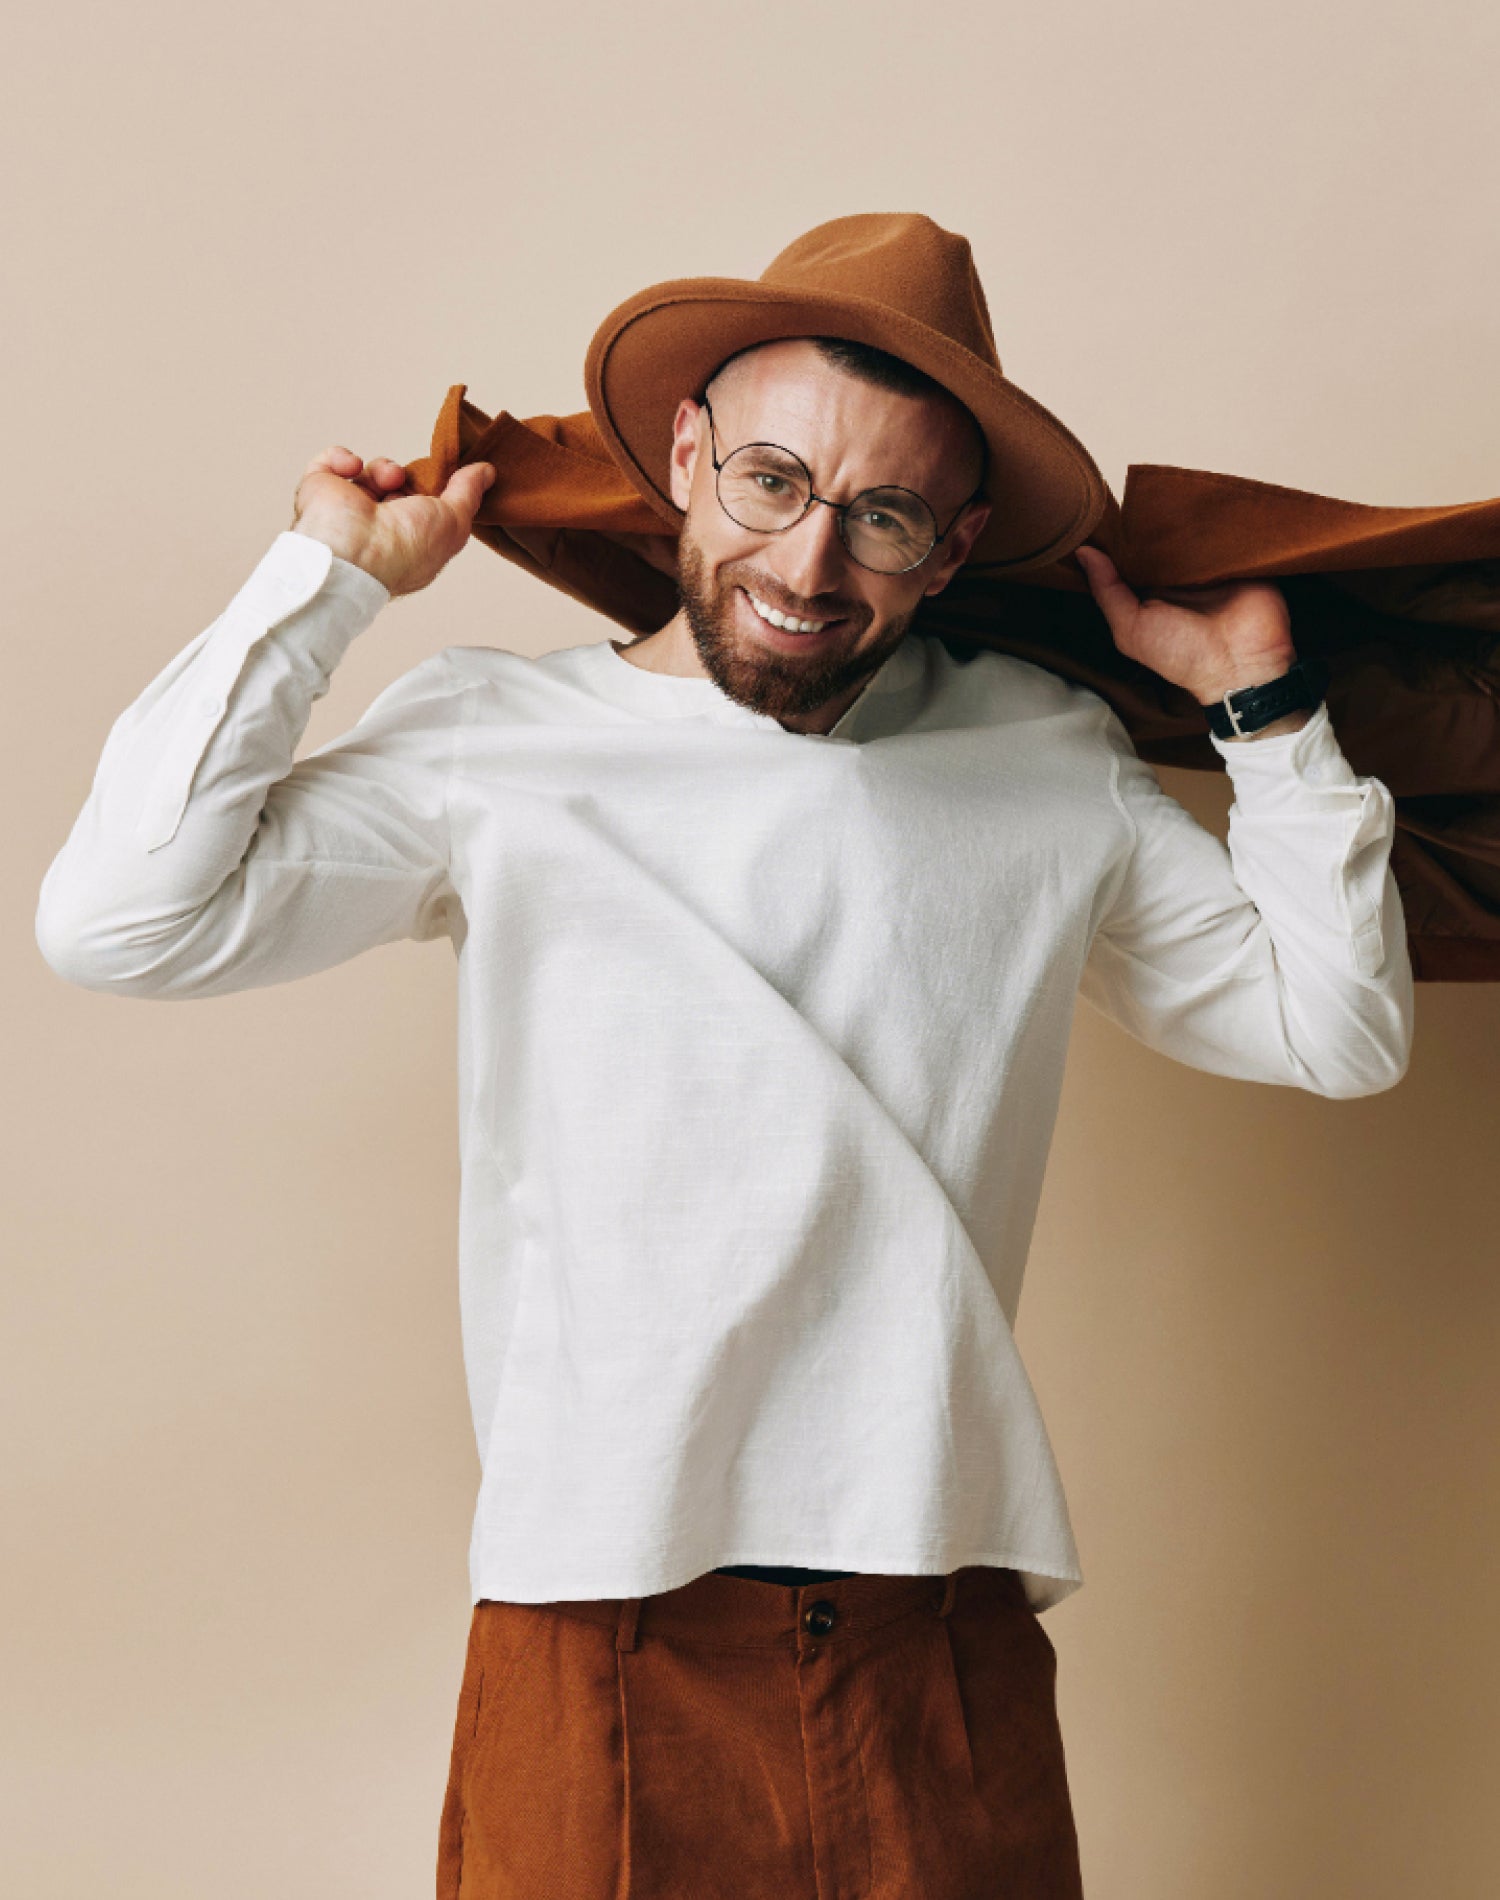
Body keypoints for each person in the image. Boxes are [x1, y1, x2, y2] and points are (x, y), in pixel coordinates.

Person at [34, 214, 1412, 1899]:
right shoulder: (501, 742)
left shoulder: (1044, 763)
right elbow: (119, 921)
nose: (811, 564)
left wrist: (1264, 719)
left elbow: (1338, 1035)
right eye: (770, 479)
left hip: (936, 1628)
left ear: (955, 543)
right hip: (601, 1619)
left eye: (883, 516)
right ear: (685, 453)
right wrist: (325, 586)